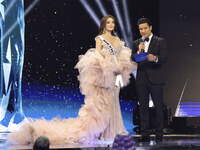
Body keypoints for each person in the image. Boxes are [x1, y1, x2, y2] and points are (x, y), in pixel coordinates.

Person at [6, 15, 137, 145]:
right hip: (105, 76)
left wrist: (120, 67)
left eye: (112, 22)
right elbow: (97, 57)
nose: (111, 24)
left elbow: (122, 56)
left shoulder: (117, 40)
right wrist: (109, 67)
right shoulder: (100, 39)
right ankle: (103, 133)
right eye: (108, 22)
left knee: (114, 102)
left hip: (116, 77)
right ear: (104, 24)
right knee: (104, 105)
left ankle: (114, 131)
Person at [131, 18, 167, 142]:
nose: (143, 31)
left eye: (145, 28)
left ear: (150, 28)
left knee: (158, 107)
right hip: (141, 79)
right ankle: (144, 134)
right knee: (143, 108)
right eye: (141, 29)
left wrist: (155, 58)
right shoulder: (136, 43)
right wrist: (138, 51)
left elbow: (164, 58)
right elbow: (133, 59)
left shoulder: (160, 41)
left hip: (156, 78)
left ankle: (159, 134)